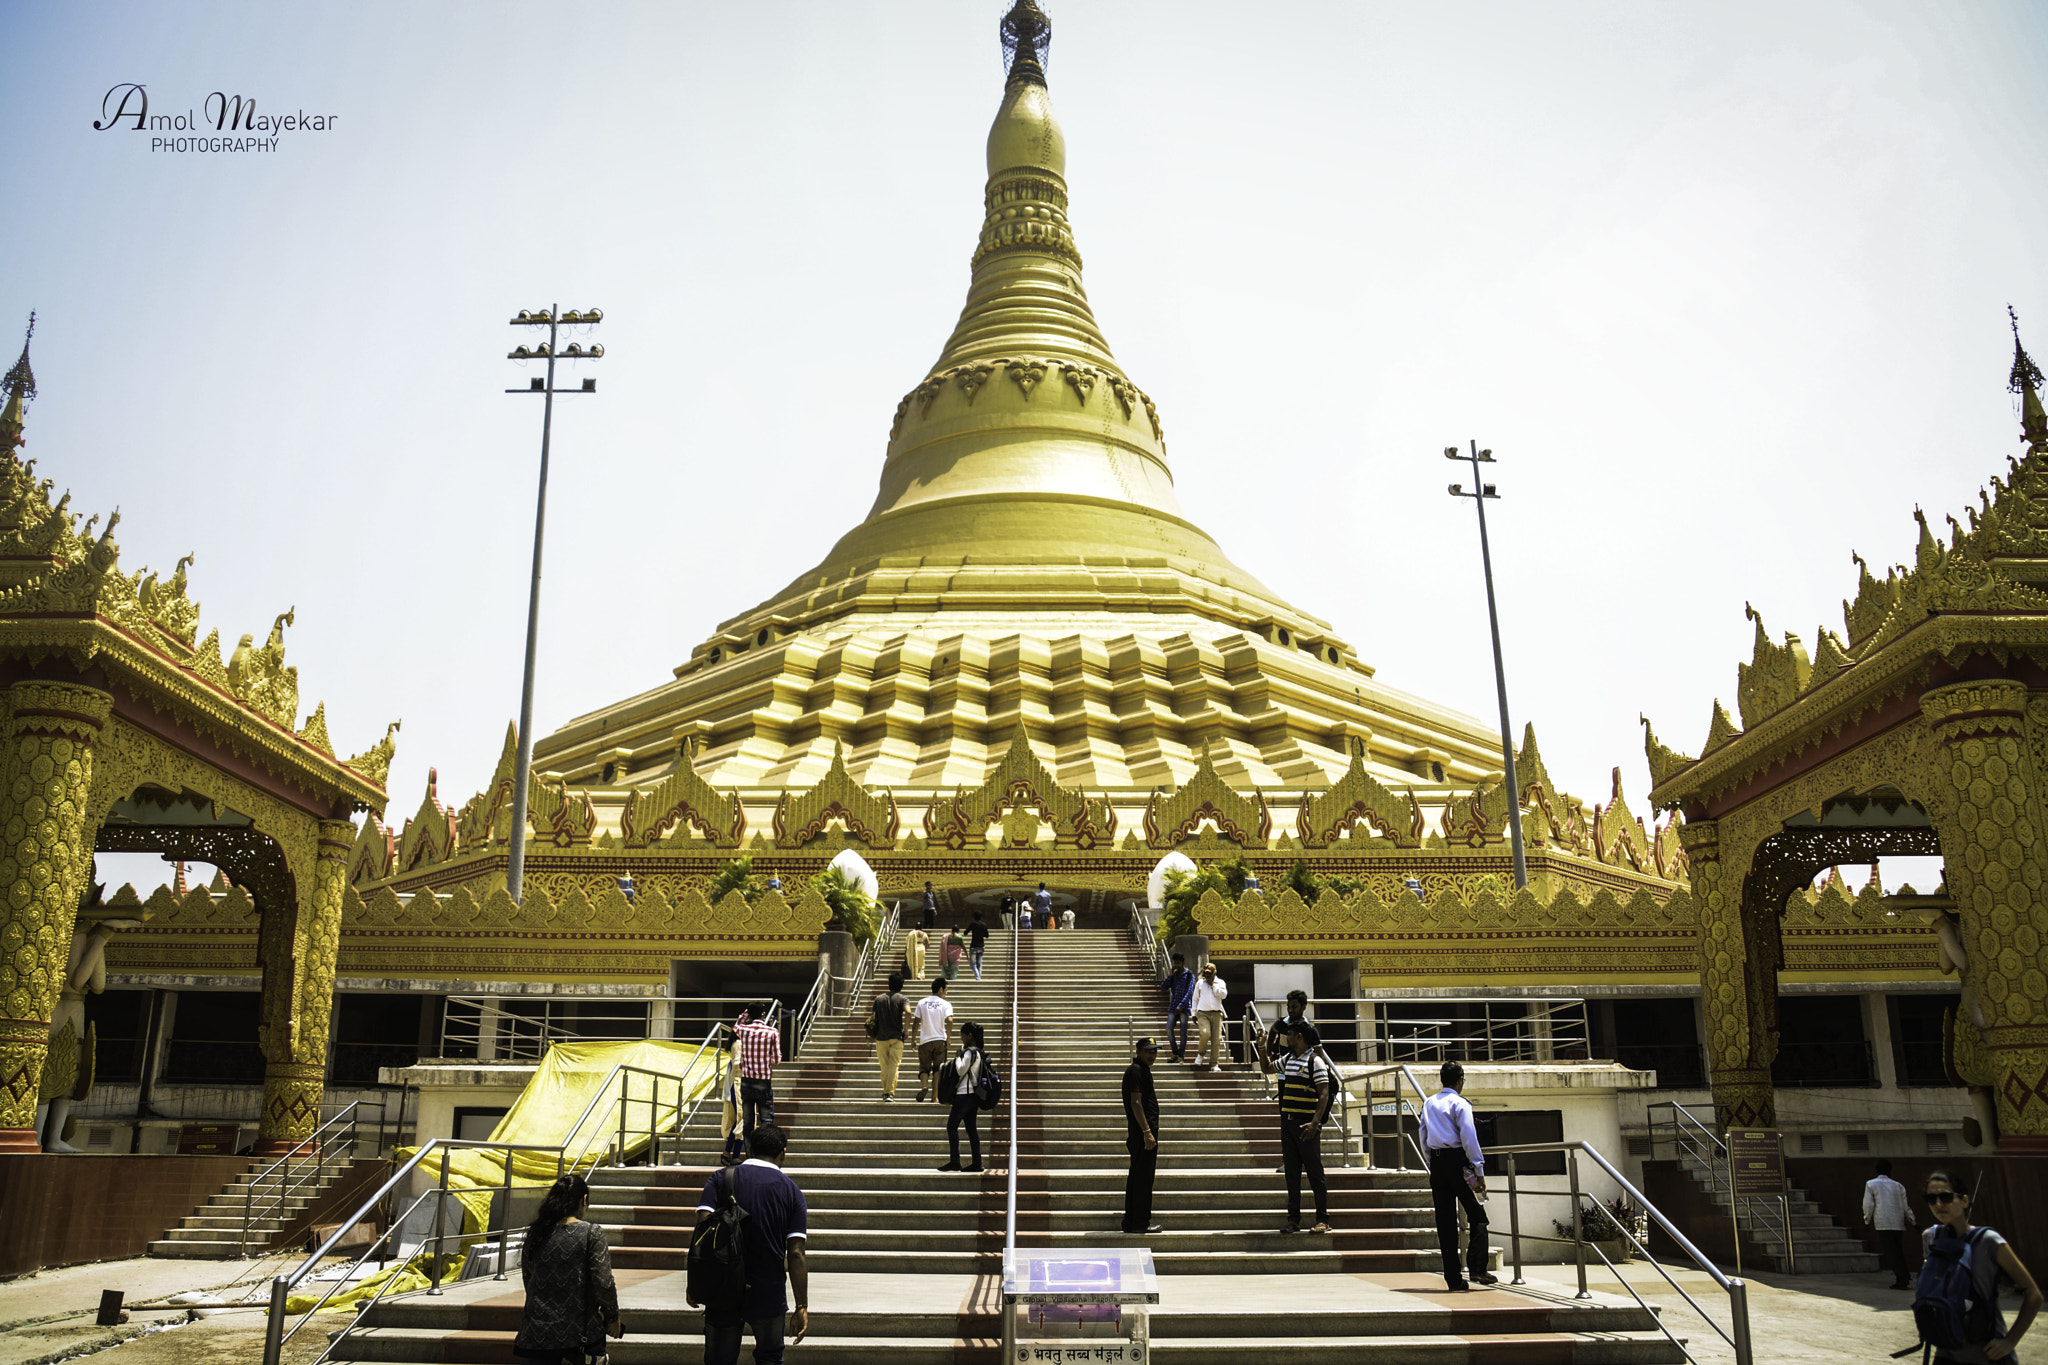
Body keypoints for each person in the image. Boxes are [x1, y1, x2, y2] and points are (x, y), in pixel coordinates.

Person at [688, 1124, 810, 1365]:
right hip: (768, 1290)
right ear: (782, 1153)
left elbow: (701, 1233)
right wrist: (801, 1306)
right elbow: (795, 1254)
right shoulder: (791, 1191)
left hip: (722, 1288)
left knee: (719, 1359)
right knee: (770, 1357)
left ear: (748, 1150)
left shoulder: (721, 1178)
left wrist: (695, 1283)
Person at [1919, 1167, 2041, 1363]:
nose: (1938, 1204)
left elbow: (2034, 1295)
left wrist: (2010, 1341)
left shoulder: (1989, 1240)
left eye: (1946, 1197)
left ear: (1964, 1200)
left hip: (1988, 1352)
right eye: (1931, 1199)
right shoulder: (1930, 1237)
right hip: (1947, 1351)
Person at [514, 1174, 621, 1364]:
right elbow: (603, 1282)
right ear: (584, 1200)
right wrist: (612, 1317)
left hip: (538, 1334)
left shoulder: (536, 1232)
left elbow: (528, 1280)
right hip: (581, 1333)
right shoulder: (592, 1233)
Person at [1421, 1060, 1496, 1292]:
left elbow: (1422, 1135)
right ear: (1460, 1080)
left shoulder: (1429, 1102)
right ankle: (1477, 1268)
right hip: (1459, 1165)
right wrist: (1479, 1170)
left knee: (1445, 1224)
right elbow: (1468, 1137)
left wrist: (1431, 1161)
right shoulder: (1460, 1103)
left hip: (1438, 1164)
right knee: (1478, 1215)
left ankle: (1453, 1279)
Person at [1255, 1021, 1333, 1235]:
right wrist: (1262, 1048)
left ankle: (1323, 1219)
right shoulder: (1289, 1059)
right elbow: (1267, 1068)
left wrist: (1315, 1123)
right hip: (1288, 1123)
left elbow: (1324, 1093)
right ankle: (1293, 1219)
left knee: (1315, 1172)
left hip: (1306, 1124)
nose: (1286, 1038)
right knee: (1292, 1173)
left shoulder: (1315, 1061)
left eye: (1289, 1035)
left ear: (1299, 1037)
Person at [1122, 1038, 1163, 1234]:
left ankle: (1130, 1222)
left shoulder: (1141, 1070)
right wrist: (1147, 1132)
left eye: (1154, 1051)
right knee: (1144, 1180)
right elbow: (1136, 1103)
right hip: (1142, 1135)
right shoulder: (1136, 1071)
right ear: (1138, 1051)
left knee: (1138, 1178)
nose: (1152, 1055)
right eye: (1148, 1051)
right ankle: (1140, 1223)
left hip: (1142, 1134)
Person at [937, 1021, 988, 1173]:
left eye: (962, 1035)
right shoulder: (978, 1052)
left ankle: (955, 1161)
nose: (961, 1038)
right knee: (971, 1129)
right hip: (973, 1096)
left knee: (951, 1127)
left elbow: (961, 1070)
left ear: (969, 1035)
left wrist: (958, 1057)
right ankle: (976, 1162)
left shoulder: (969, 1052)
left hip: (964, 1095)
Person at [1863, 1157, 1915, 1290]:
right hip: (1897, 1222)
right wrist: (1912, 1220)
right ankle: (1904, 1275)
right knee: (1898, 1250)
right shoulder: (1898, 1186)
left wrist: (1867, 1219)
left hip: (1883, 1221)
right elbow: (1905, 1206)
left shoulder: (1871, 1184)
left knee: (1891, 1252)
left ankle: (1901, 1278)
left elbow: (1868, 1205)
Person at [734, 1004, 782, 1141]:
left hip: (746, 1080)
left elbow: (736, 1026)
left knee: (748, 1121)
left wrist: (744, 1015)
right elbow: (777, 1059)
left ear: (749, 1015)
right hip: (763, 1080)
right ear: (764, 1015)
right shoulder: (772, 1032)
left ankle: (750, 1154)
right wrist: (767, 1058)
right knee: (766, 1120)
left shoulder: (743, 1030)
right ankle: (765, 1152)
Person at [872, 971, 911, 1103]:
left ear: (889, 984)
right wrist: (906, 1030)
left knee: (884, 1067)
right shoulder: (902, 999)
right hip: (896, 1037)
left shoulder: (879, 999)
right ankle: (889, 1093)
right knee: (894, 1066)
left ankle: (886, 1092)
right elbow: (908, 1012)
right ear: (901, 985)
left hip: (881, 1037)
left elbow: (873, 1018)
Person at [913, 977, 954, 1103]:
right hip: (939, 1040)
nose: (946, 992)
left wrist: (913, 1039)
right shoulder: (945, 1004)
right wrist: (948, 1037)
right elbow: (950, 1020)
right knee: (938, 1069)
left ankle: (924, 1087)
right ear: (940, 989)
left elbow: (916, 1021)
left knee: (924, 1069)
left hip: (925, 1041)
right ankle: (934, 1097)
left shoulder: (921, 1002)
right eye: (946, 989)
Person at [1190, 960, 1228, 1071]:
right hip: (1203, 1013)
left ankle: (1214, 1064)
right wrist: (1193, 1013)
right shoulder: (1200, 983)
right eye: (1205, 973)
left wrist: (1213, 986)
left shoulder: (1220, 983)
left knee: (1216, 1040)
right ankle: (1200, 1054)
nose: (1207, 975)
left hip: (1216, 1013)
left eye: (1209, 973)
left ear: (1214, 973)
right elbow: (1195, 999)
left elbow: (1223, 995)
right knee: (1205, 1033)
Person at [1161, 954, 1195, 1063]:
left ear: (1183, 962)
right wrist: (1170, 975)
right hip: (1173, 1007)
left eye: (1178, 963)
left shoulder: (1190, 975)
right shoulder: (1174, 975)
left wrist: (1181, 1005)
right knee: (1168, 1029)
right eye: (1175, 963)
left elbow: (1190, 992)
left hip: (1184, 1008)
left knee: (1183, 1033)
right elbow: (1163, 987)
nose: (1176, 965)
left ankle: (1181, 1055)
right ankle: (1175, 1052)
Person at [1264, 990, 1310, 1058]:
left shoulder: (1308, 1028)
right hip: (1284, 1063)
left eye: (1294, 1007)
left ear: (1303, 1007)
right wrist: (1269, 1052)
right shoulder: (1281, 1023)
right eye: (1288, 1007)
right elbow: (1273, 1031)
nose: (1290, 1010)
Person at [968, 910, 990, 981]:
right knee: (979, 962)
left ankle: (978, 977)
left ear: (974, 917)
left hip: (974, 945)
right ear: (981, 917)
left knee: (972, 963)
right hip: (981, 945)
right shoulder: (984, 925)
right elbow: (987, 935)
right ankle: (979, 977)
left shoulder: (973, 924)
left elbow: (966, 932)